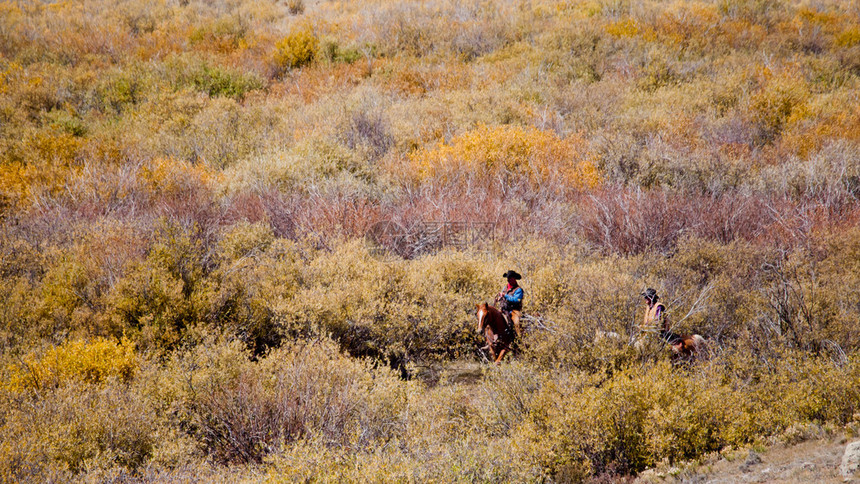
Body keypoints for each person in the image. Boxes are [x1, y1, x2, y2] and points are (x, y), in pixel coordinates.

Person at [640, 288, 683, 354]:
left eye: (646, 297)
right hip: (649, 332)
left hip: (660, 332)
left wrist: (649, 328)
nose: (645, 299)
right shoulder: (648, 307)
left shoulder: (659, 307)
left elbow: (659, 322)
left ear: (651, 298)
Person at [496, 270, 524, 339]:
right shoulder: (505, 287)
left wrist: (505, 296)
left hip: (513, 310)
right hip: (503, 309)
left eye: (510, 278)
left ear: (514, 279)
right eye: (508, 278)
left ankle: (519, 338)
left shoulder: (519, 290)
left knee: (516, 322)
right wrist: (499, 298)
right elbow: (502, 295)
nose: (508, 280)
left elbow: (516, 300)